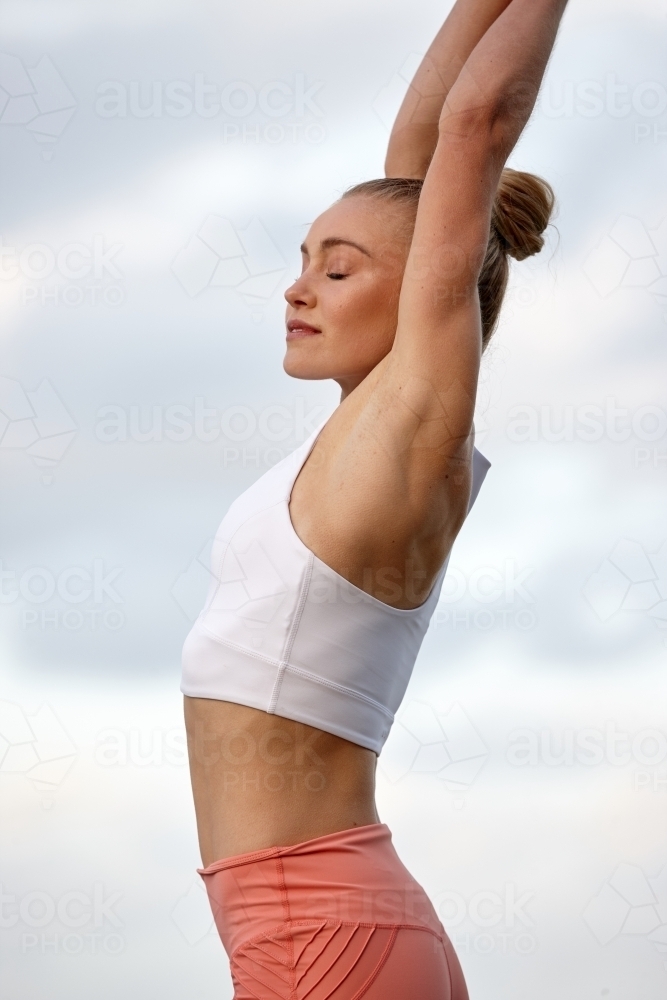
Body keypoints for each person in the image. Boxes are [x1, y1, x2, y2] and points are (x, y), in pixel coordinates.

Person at [182, 1, 568, 996]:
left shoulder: (417, 420)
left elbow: (472, 128)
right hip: (319, 922)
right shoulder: (369, 425)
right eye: (304, 257)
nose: (297, 288)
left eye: (338, 266)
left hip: (320, 929)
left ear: (426, 291)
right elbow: (423, 149)